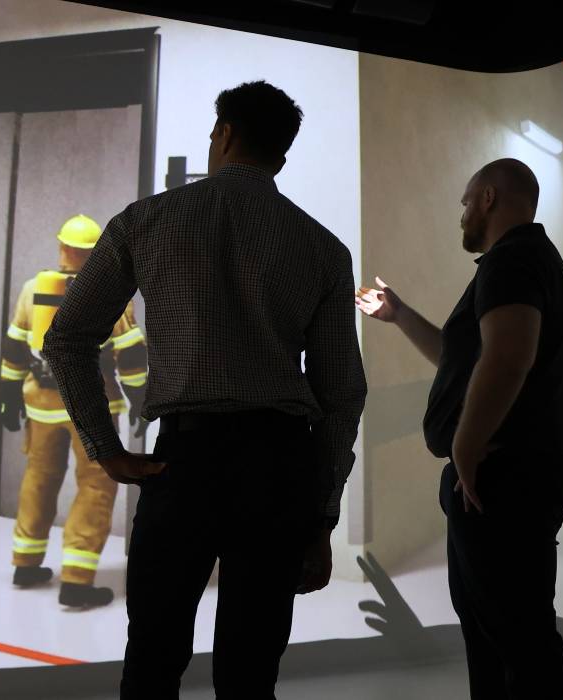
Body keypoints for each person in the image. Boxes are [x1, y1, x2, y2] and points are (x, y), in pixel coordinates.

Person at [41, 81, 366, 699]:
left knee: (153, 662)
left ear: (224, 133)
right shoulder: (323, 248)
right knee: (250, 674)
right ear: (282, 155)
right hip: (280, 469)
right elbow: (342, 393)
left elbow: (66, 339)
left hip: (184, 462)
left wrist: (104, 447)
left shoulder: (145, 221)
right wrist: (322, 516)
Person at [356, 158, 563, 699]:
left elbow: (508, 357)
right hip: (518, 474)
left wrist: (466, 445)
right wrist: (400, 314)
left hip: (504, 479)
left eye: (465, 201)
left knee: (516, 636)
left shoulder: (511, 262)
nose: (461, 213)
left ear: (488, 198)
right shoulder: (533, 264)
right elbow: (464, 362)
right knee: (497, 629)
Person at [0, 214, 150, 609]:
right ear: (96, 252)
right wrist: (139, 401)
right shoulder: (110, 294)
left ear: (62, 247)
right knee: (96, 486)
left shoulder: (33, 288)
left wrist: (8, 395)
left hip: (41, 406)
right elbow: (131, 357)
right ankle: (77, 581)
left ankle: (26, 563)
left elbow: (14, 347)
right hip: (92, 410)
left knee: (39, 478)